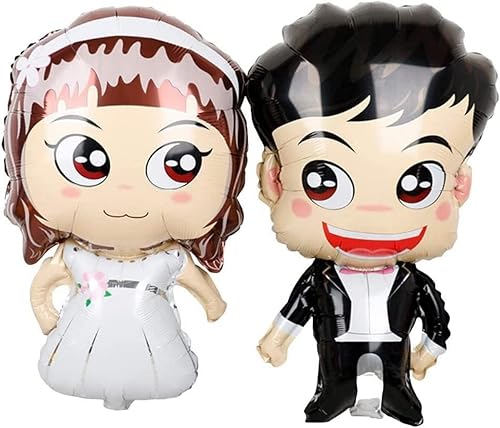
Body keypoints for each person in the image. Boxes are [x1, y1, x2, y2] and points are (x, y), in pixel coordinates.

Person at [246, 3, 497, 425]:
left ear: (459, 186)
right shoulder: (321, 280)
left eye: (418, 182)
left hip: (395, 354)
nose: (373, 211)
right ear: (274, 179)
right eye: (323, 180)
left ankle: (399, 396)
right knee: (335, 385)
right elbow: (298, 306)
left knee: (397, 390)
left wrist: (429, 350)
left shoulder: (410, 281)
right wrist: (278, 338)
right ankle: (334, 394)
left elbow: (436, 317)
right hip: (337, 353)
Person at [4, 6, 247, 409]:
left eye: (178, 164)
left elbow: (202, 288)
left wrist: (213, 304)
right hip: (77, 348)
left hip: (156, 356)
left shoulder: (169, 259)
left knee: (164, 369)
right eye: (86, 161)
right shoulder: (74, 257)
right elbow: (41, 289)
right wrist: (47, 318)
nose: (126, 191)